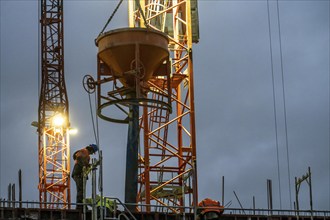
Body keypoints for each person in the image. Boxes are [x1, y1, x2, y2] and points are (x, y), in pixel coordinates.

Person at [71, 144, 98, 210]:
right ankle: (80, 206)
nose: (92, 153)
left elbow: (82, 160)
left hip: (80, 174)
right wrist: (85, 166)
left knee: (82, 190)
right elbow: (78, 157)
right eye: (93, 152)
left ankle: (81, 205)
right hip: (78, 174)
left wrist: (88, 166)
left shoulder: (87, 155)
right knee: (81, 190)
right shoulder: (84, 151)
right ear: (91, 149)